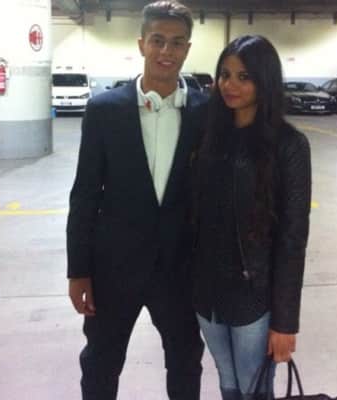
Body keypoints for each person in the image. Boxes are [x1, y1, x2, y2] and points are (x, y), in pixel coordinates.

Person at [66, 2, 206, 399]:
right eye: (158, 40)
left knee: (185, 361)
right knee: (100, 363)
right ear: (142, 43)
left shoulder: (206, 112)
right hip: (114, 269)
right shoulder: (105, 110)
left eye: (176, 43)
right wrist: (78, 271)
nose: (166, 51)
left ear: (187, 48)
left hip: (180, 271)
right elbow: (85, 194)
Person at [191, 35, 312, 400]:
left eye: (244, 77)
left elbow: (293, 239)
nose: (230, 85)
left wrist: (285, 322)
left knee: (253, 385)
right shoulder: (210, 136)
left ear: (264, 80)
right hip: (207, 293)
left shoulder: (289, 145)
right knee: (227, 380)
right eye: (225, 75)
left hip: (253, 296)